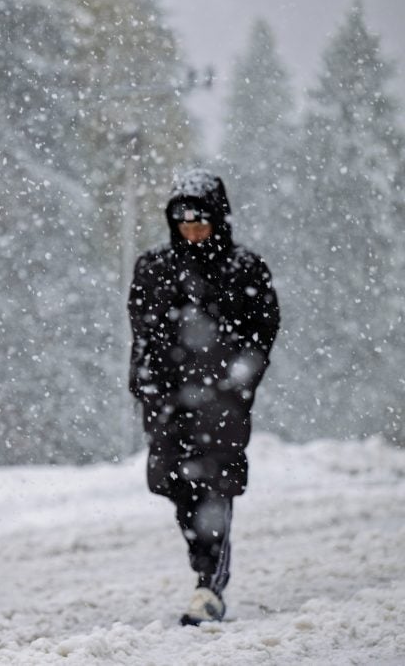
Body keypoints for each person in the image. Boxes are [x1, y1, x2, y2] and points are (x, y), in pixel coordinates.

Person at [128, 169, 280, 625]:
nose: (192, 232)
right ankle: (202, 561)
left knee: (217, 487)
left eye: (201, 222)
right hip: (168, 402)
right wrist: (145, 385)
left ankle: (209, 584)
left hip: (221, 404)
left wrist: (237, 384)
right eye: (183, 223)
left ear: (219, 219)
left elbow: (263, 332)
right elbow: (142, 334)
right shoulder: (153, 268)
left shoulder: (244, 268)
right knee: (177, 485)